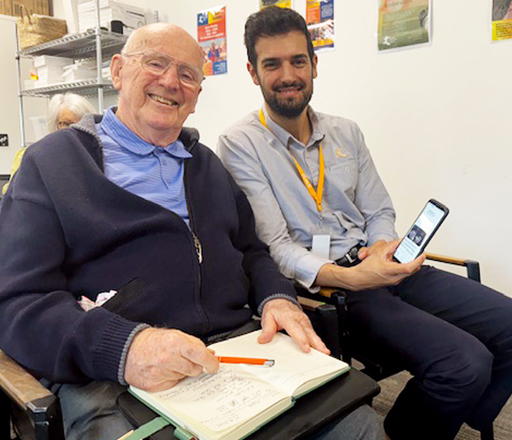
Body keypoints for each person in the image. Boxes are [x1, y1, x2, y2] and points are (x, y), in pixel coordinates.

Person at [0, 23, 382, 440]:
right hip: (112, 375)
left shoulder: (208, 166)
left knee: (360, 426)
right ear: (117, 71)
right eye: (155, 63)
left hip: (235, 352)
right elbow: (16, 302)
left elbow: (252, 250)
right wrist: (125, 348)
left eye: (187, 74)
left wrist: (277, 298)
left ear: (197, 96)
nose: (170, 81)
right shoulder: (51, 165)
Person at [218, 7, 512, 440]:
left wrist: (380, 248)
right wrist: (351, 277)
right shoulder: (240, 143)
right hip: (330, 291)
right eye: (272, 64)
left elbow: (378, 211)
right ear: (252, 72)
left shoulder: (345, 132)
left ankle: (452, 411)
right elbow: (274, 246)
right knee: (466, 362)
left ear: (315, 64)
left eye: (298, 60)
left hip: (382, 265)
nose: (288, 75)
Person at [2, 92, 96, 195]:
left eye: (81, 123)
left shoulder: (96, 155)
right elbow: (14, 198)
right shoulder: (31, 156)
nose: (75, 129)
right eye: (66, 123)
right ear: (55, 124)